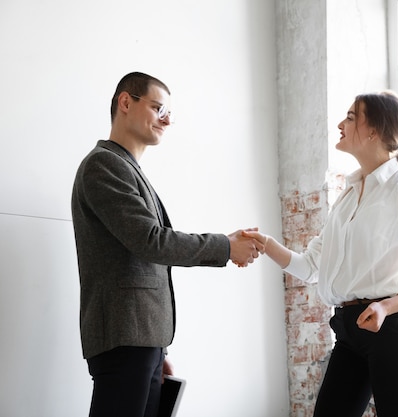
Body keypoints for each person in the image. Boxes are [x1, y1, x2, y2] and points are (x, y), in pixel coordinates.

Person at [71, 71, 263, 417]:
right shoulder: (104, 165)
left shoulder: (126, 167)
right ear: (125, 102)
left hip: (142, 341)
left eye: (169, 112)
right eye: (159, 108)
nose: (168, 119)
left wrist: (158, 350)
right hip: (124, 340)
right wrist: (225, 246)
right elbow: (150, 242)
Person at [244, 91, 398, 417]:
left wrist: (385, 306)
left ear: (374, 131)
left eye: (351, 117)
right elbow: (311, 267)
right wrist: (266, 244)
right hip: (349, 333)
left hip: (391, 331)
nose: (340, 124)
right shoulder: (347, 197)